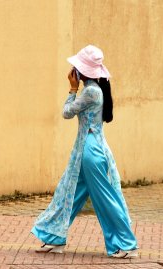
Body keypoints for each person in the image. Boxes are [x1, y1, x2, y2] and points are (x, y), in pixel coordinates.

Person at [31, 45, 139, 259]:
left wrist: (72, 89)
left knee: (105, 198)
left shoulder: (90, 91)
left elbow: (66, 113)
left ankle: (125, 244)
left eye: (77, 67)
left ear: (84, 71)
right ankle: (54, 237)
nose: (73, 70)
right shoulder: (95, 89)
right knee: (69, 192)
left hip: (91, 152)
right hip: (85, 149)